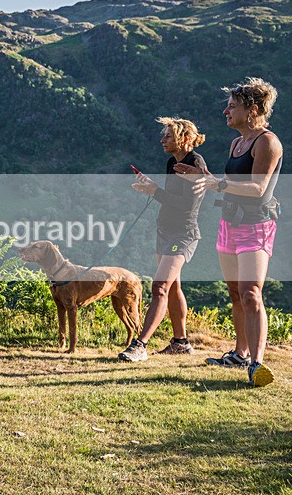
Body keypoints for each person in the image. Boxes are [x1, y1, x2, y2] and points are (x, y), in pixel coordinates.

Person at [176, 77, 282, 387]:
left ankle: (258, 364)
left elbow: (258, 189)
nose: (226, 111)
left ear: (252, 109)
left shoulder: (267, 142)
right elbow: (227, 182)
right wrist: (203, 176)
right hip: (229, 223)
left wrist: (216, 183)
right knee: (235, 292)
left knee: (251, 293)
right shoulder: (238, 143)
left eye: (232, 106)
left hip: (256, 226)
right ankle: (240, 354)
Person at [119, 118, 207, 362]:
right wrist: (152, 189)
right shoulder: (172, 162)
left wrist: (154, 191)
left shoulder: (195, 164)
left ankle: (140, 345)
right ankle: (181, 342)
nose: (162, 140)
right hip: (165, 231)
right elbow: (170, 198)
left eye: (168, 136)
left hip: (182, 235)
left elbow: (187, 206)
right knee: (173, 286)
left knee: (160, 287)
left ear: (184, 139)